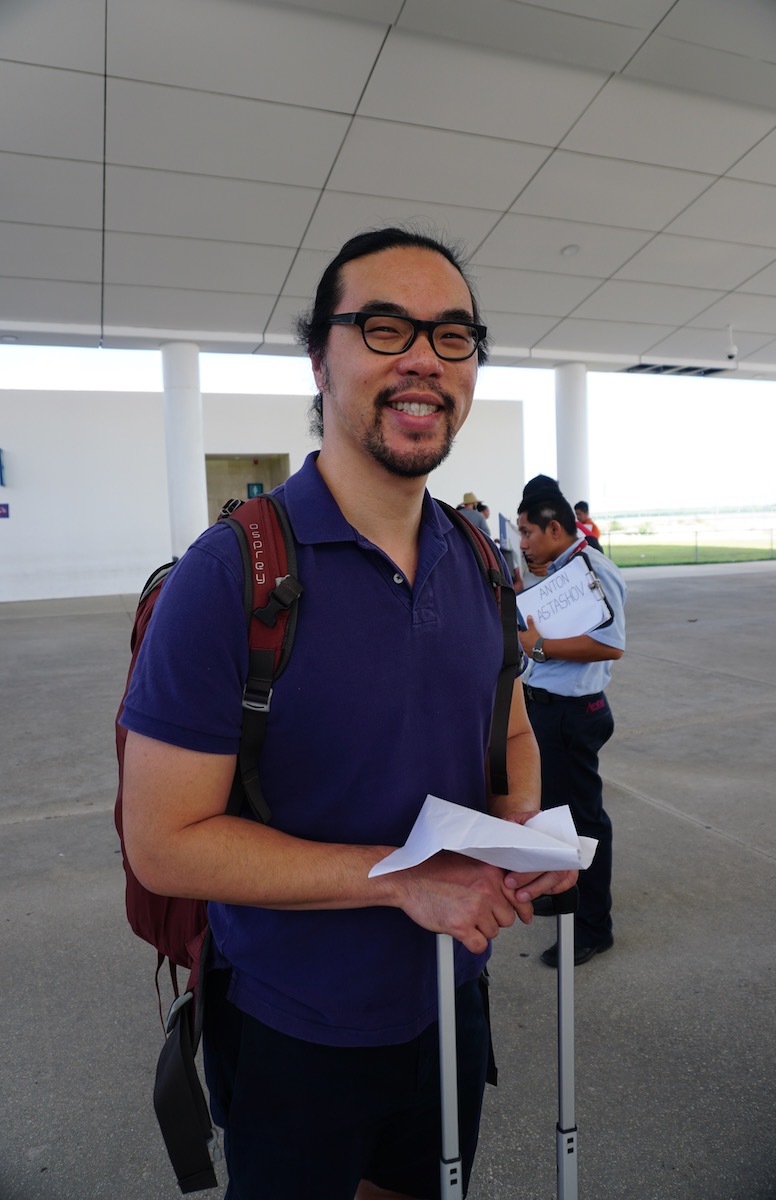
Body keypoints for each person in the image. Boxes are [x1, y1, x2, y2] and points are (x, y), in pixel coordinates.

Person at [120, 228, 576, 1200]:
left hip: (450, 999)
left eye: (452, 335)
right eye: (384, 327)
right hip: (293, 1028)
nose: (424, 359)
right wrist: (401, 881)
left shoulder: (479, 558)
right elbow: (163, 843)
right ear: (318, 359)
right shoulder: (230, 575)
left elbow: (509, 731)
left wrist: (519, 831)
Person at [516, 475, 626, 968]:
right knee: (552, 816)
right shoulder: (558, 570)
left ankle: (593, 927)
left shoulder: (593, 570)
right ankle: (560, 892)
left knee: (583, 822)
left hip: (574, 713)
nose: (523, 543)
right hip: (545, 707)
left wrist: (537, 647)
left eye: (528, 532)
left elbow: (610, 645)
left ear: (555, 529)